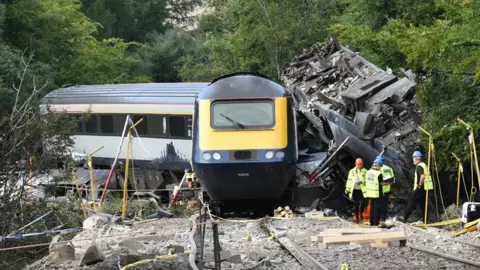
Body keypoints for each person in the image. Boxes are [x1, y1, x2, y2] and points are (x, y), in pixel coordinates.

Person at [402, 151, 433, 223]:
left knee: (412, 202)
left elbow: (422, 176)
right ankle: (425, 220)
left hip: (420, 188)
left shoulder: (419, 166)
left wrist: (419, 185)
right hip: (425, 188)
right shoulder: (424, 165)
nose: (413, 159)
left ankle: (404, 219)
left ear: (416, 158)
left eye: (413, 158)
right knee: (423, 204)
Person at [345, 158, 368, 223]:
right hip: (355, 190)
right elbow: (349, 181)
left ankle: (361, 212)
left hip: (362, 190)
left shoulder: (365, 171)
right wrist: (347, 188)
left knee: (363, 203)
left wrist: (362, 181)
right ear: (355, 165)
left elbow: (368, 180)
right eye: (358, 166)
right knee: (356, 204)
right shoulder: (351, 171)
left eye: (360, 166)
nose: (359, 167)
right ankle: (357, 217)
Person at [375, 156, 395, 223]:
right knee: (384, 205)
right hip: (386, 190)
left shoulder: (378, 169)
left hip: (379, 190)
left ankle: (377, 219)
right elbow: (393, 180)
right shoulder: (389, 168)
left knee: (377, 205)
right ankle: (383, 219)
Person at [365, 157, 384, 226]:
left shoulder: (368, 172)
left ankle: (371, 222)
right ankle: (376, 223)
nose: (380, 167)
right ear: (378, 165)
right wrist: (387, 183)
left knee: (372, 208)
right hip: (377, 193)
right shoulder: (378, 174)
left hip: (370, 193)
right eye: (380, 166)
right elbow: (381, 183)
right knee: (377, 209)